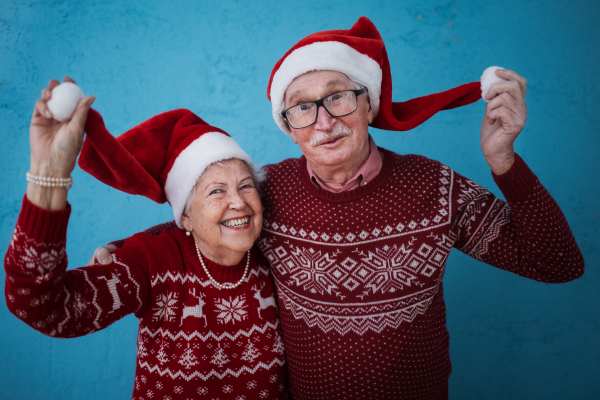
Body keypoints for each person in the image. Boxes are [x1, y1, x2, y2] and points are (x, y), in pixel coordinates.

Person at [91, 17, 584, 400]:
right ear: (289, 125)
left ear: (368, 105)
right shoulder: (269, 190)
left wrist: (504, 163)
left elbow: (558, 265)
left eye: (339, 98)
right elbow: (210, 223)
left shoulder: (434, 185)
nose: (323, 121)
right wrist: (129, 254)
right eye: (302, 107)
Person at [4, 78, 287, 400]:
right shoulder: (151, 262)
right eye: (217, 191)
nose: (238, 202)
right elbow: (44, 307)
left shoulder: (277, 251)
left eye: (246, 185)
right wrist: (49, 175)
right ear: (186, 217)